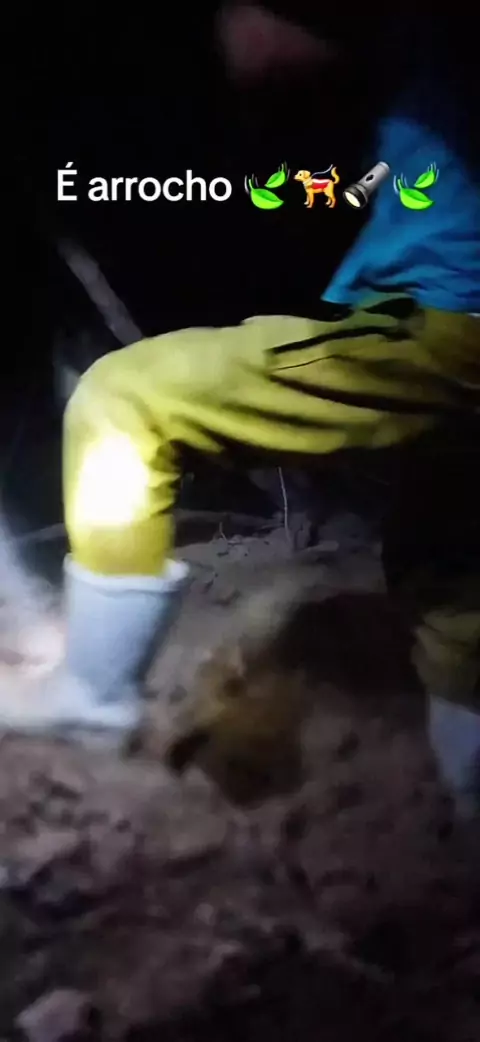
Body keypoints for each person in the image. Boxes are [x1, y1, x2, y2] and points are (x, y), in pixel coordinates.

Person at [2, 5, 478, 818]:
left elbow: (262, 48)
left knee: (128, 397)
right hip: (440, 327)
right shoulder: (428, 83)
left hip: (448, 325)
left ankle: (92, 693)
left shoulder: (440, 36)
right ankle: (468, 801)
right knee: (454, 567)